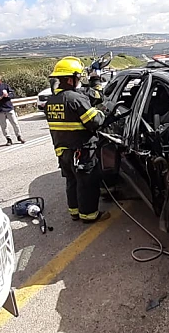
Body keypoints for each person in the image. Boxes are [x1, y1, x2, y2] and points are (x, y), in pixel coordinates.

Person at [45, 57, 114, 223]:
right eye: (78, 78)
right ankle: (89, 215)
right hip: (81, 150)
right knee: (87, 183)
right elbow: (95, 122)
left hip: (63, 151)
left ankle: (74, 212)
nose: (79, 81)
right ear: (71, 78)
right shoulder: (75, 99)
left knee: (72, 181)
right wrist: (102, 113)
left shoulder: (51, 101)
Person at [0, 72, 24, 146]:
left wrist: (7, 95)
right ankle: (8, 139)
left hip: (8, 107)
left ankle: (19, 136)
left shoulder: (4, 86)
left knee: (15, 123)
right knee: (3, 125)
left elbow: (13, 94)